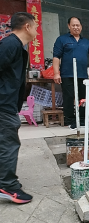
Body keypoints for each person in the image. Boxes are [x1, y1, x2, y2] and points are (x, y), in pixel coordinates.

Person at [0, 12, 38, 204]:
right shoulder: (10, 44)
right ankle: (8, 186)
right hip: (3, 104)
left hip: (7, 103)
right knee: (9, 143)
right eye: (36, 25)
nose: (37, 30)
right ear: (27, 27)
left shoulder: (16, 46)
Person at [52, 17, 89, 130]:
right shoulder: (62, 39)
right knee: (69, 98)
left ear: (81, 27)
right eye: (73, 25)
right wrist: (56, 73)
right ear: (68, 26)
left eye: (78, 25)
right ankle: (70, 121)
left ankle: (83, 120)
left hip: (82, 75)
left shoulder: (85, 42)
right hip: (67, 74)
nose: (76, 27)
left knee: (83, 98)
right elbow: (56, 57)